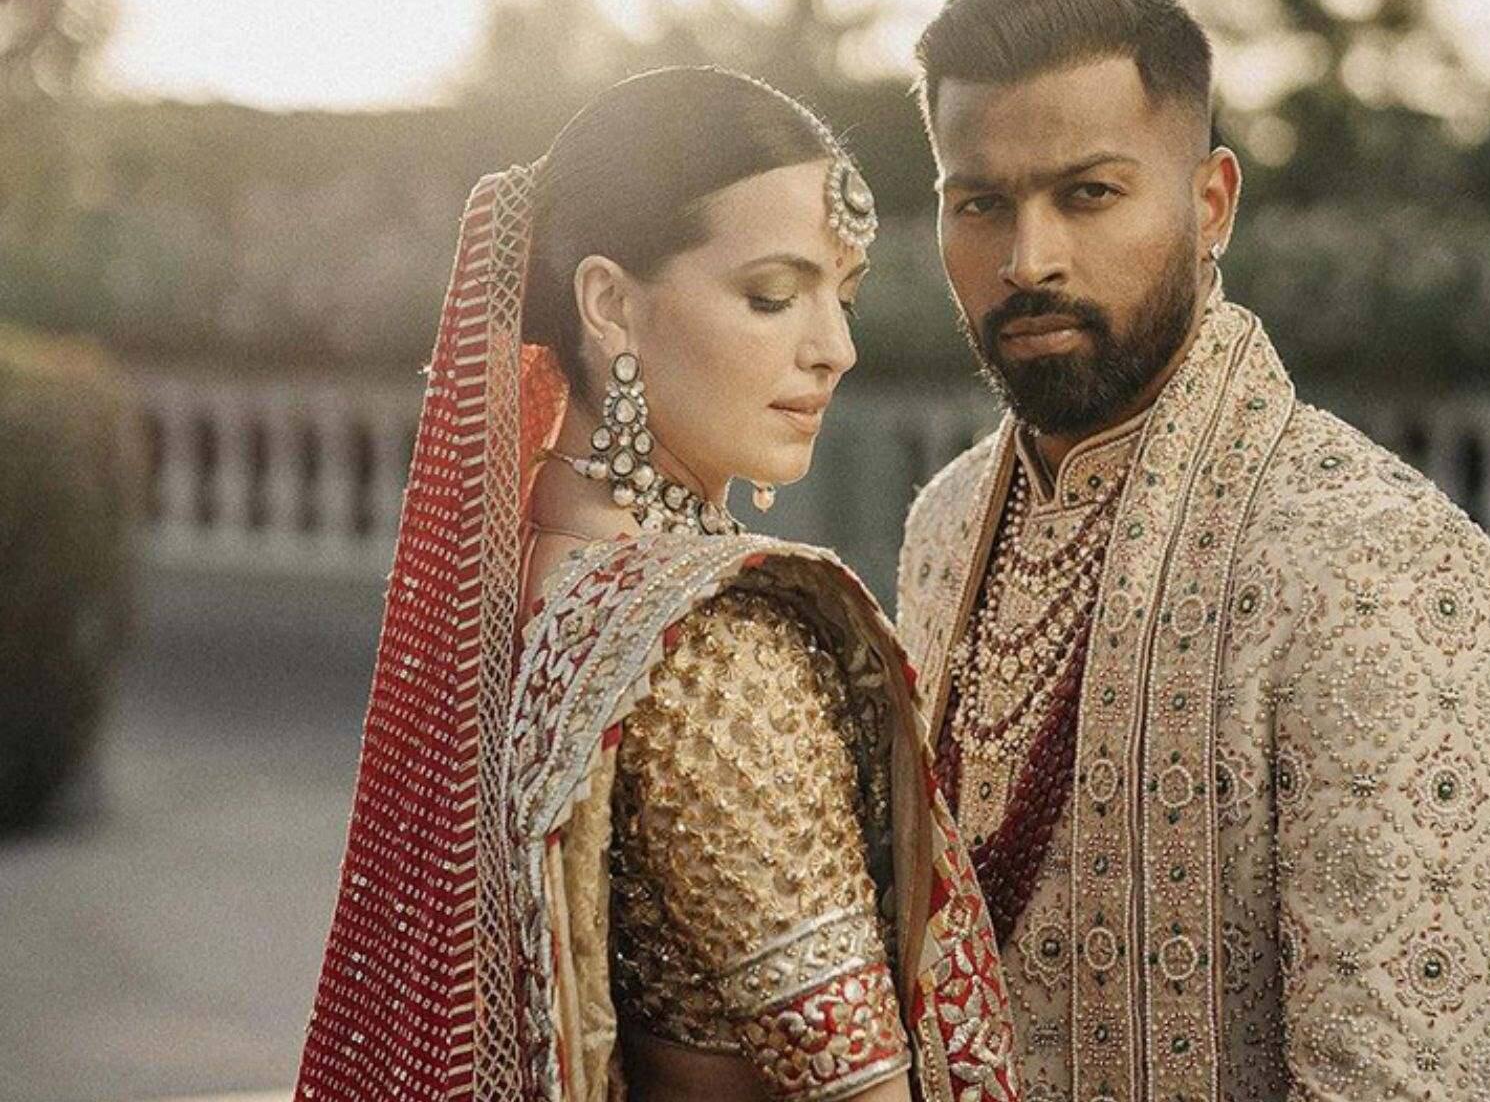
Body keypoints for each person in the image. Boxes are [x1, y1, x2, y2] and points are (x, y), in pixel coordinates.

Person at [296, 67, 1018, 1102]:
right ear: (608, 302)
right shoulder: (716, 650)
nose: (836, 348)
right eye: (773, 295)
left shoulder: (520, 569)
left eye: (842, 296)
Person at [895, 0, 1490, 1101]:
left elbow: (1395, 1080)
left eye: (1088, 193)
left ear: (1211, 202)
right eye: (979, 202)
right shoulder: (943, 526)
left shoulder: (1374, 559)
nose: (1026, 260)